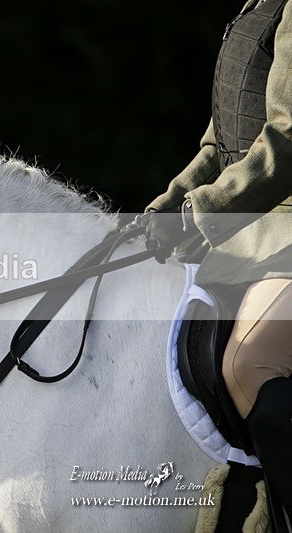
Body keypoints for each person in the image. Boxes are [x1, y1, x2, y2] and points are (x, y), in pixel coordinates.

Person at [143, 0, 292, 515]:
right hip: (253, 231)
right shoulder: (256, 6)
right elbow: (224, 138)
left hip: (287, 231)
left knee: (250, 363)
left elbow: (287, 141)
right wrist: (169, 204)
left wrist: (200, 211)